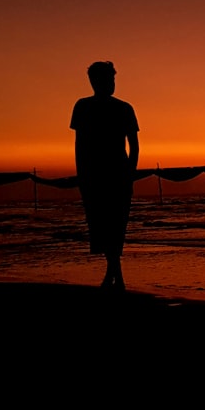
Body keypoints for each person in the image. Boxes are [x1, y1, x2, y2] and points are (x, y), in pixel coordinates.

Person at [70, 61, 140, 291]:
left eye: (112, 79)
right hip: (94, 174)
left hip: (118, 173)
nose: (110, 84)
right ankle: (115, 272)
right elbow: (79, 146)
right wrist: (82, 175)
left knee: (117, 223)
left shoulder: (125, 108)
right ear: (93, 82)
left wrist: (130, 172)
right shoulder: (82, 107)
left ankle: (114, 273)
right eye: (105, 80)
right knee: (102, 224)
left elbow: (134, 145)